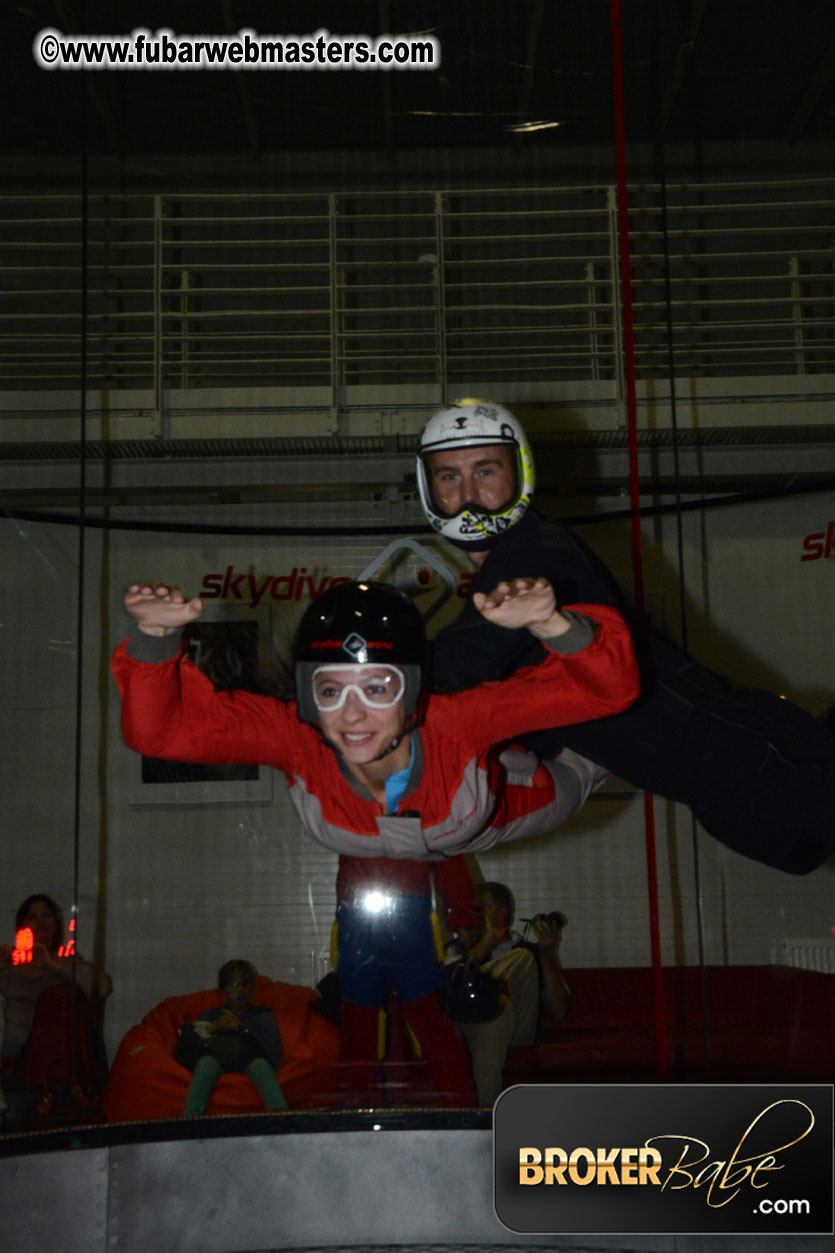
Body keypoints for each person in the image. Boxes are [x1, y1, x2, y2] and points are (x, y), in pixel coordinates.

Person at [418, 399, 835, 875]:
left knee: (802, 830)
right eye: (449, 476)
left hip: (725, 746)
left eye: (486, 471)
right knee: (796, 852)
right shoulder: (512, 568)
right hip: (698, 767)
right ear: (429, 488)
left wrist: (362, 673)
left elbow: (458, 663)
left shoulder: (530, 550)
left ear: (519, 473)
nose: (468, 494)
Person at [112, 576, 639, 863]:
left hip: (503, 807)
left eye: (376, 688)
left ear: (412, 691)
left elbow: (609, 690)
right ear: (308, 696)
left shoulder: (457, 721)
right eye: (330, 690)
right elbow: (161, 733)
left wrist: (550, 623)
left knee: (584, 773)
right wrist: (155, 638)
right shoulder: (296, 737)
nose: (351, 714)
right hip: (449, 823)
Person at [333, 853, 477, 1106]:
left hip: (378, 912)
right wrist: (463, 919)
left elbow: (448, 851)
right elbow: (448, 851)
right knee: (368, 1023)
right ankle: (459, 1107)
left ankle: (459, 1108)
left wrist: (463, 917)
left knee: (419, 1020)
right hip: (378, 912)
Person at [448, 881, 568, 1106]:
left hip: (519, 1032)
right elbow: (446, 996)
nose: (473, 916)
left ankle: (484, 1115)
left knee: (523, 958)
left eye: (479, 910)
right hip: (470, 1029)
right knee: (497, 1009)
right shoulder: (461, 949)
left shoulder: (530, 951)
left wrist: (547, 954)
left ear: (501, 912)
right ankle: (488, 1113)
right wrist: (484, 946)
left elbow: (559, 1011)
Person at [0, 893, 112, 1117]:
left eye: (46, 916)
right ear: (22, 925)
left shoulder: (66, 961)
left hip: (32, 1036)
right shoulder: (9, 960)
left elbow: (101, 987)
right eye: (32, 916)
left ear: (56, 925)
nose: (40, 922)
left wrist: (52, 965)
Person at [180, 960, 287, 1116]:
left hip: (250, 1060)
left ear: (253, 989)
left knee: (260, 1065)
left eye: (246, 984)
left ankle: (281, 1117)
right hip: (216, 1060)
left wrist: (241, 1029)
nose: (240, 990)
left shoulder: (263, 1016)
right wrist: (214, 1027)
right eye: (234, 985)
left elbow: (274, 1056)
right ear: (223, 990)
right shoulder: (210, 1015)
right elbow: (189, 1046)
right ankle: (189, 1119)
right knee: (206, 1063)